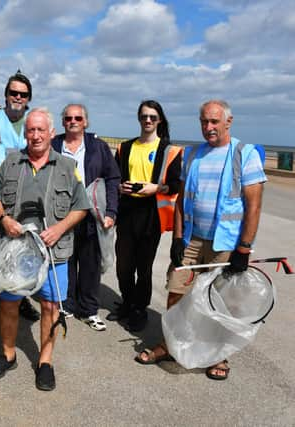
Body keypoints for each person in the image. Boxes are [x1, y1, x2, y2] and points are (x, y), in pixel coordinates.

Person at [135, 99, 266, 381]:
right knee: (176, 292)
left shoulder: (245, 154)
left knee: (219, 303)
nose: (208, 127)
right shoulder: (192, 154)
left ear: (228, 122)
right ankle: (171, 346)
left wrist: (244, 247)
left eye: (214, 122)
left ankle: (218, 356)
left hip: (225, 244)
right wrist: (179, 238)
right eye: (204, 121)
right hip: (193, 239)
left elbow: (254, 205)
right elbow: (182, 199)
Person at [0, 107, 90, 391]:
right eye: (31, 130)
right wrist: (4, 219)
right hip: (14, 252)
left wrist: (59, 228)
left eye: (41, 130)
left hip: (54, 254)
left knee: (50, 306)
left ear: (51, 133)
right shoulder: (11, 162)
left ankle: (45, 361)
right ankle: (8, 354)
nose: (35, 135)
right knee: (8, 303)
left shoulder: (67, 168)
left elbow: (82, 206)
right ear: (26, 133)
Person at [109, 100, 182, 332]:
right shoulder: (125, 147)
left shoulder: (170, 150)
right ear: (139, 119)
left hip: (152, 213)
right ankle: (127, 302)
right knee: (123, 265)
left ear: (159, 120)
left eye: (152, 116)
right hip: (128, 210)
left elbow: (175, 184)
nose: (147, 120)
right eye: (143, 116)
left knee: (144, 266)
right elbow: (114, 178)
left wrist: (156, 188)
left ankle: (140, 308)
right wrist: (120, 187)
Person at [52, 104, 120, 331]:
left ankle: (89, 309)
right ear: (63, 122)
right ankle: (68, 305)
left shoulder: (98, 147)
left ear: (86, 122)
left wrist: (111, 212)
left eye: (78, 118)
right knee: (66, 261)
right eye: (68, 118)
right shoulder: (54, 145)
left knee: (91, 263)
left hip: (92, 215)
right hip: (62, 214)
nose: (73, 121)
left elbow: (112, 178)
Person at [0, 71, 41, 321]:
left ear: (28, 98)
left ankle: (20, 299)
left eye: (23, 94)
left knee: (23, 250)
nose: (17, 97)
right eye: (13, 93)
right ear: (6, 95)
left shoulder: (34, 120)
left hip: (27, 191)